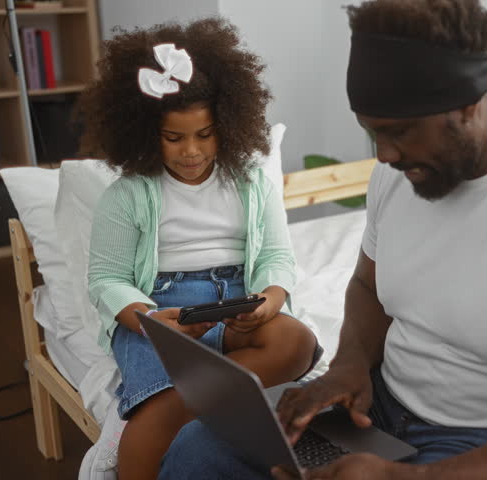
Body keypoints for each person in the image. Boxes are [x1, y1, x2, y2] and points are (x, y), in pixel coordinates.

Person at [161, 1, 487, 479]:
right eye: (371, 133)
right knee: (197, 450)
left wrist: (410, 478)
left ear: (470, 106)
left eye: (399, 132)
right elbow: (366, 286)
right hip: (377, 406)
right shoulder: (398, 174)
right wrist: (350, 365)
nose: (384, 156)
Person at [80, 19, 320, 480]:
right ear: (147, 132)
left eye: (205, 134)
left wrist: (269, 300)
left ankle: (194, 400)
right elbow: (106, 279)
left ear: (227, 124)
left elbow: (276, 256)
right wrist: (148, 320)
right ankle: (170, 410)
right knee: (154, 416)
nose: (191, 151)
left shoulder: (251, 182)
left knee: (297, 340)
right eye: (174, 138)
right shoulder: (126, 195)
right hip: (158, 311)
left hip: (234, 300)